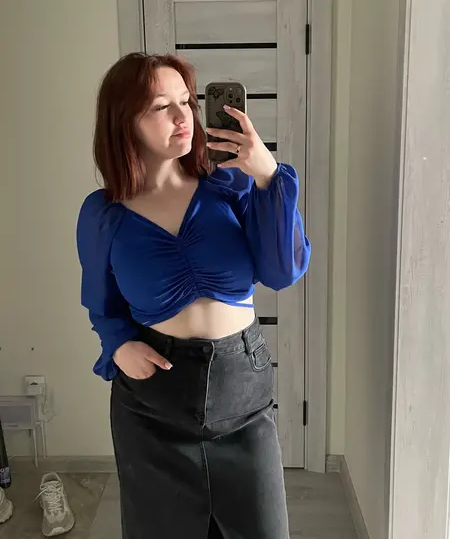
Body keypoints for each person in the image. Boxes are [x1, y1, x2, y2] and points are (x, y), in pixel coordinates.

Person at [76, 52, 311, 539]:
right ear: (124, 121)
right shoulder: (104, 215)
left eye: (186, 101)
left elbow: (282, 271)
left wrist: (268, 177)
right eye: (161, 107)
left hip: (241, 394)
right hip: (153, 406)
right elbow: (102, 303)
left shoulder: (229, 187)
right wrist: (118, 344)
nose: (183, 117)